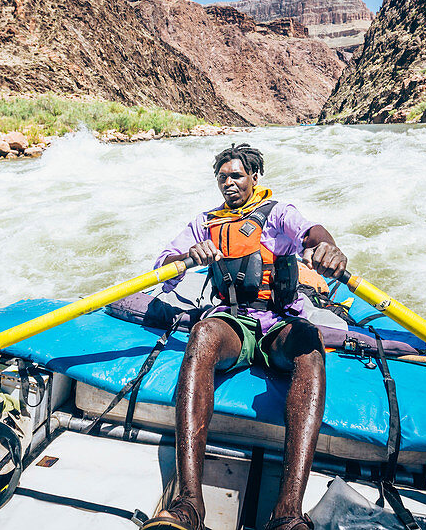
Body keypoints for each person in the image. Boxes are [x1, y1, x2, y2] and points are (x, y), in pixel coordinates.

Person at [142, 143, 347, 530]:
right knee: (202, 334)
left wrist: (327, 247)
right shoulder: (205, 222)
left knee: (310, 347)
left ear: (254, 177)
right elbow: (164, 264)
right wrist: (187, 255)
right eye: (222, 177)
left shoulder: (278, 214)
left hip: (280, 322)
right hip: (232, 323)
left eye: (236, 175)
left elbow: (310, 233)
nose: (229, 183)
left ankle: (287, 513)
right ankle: (189, 506)